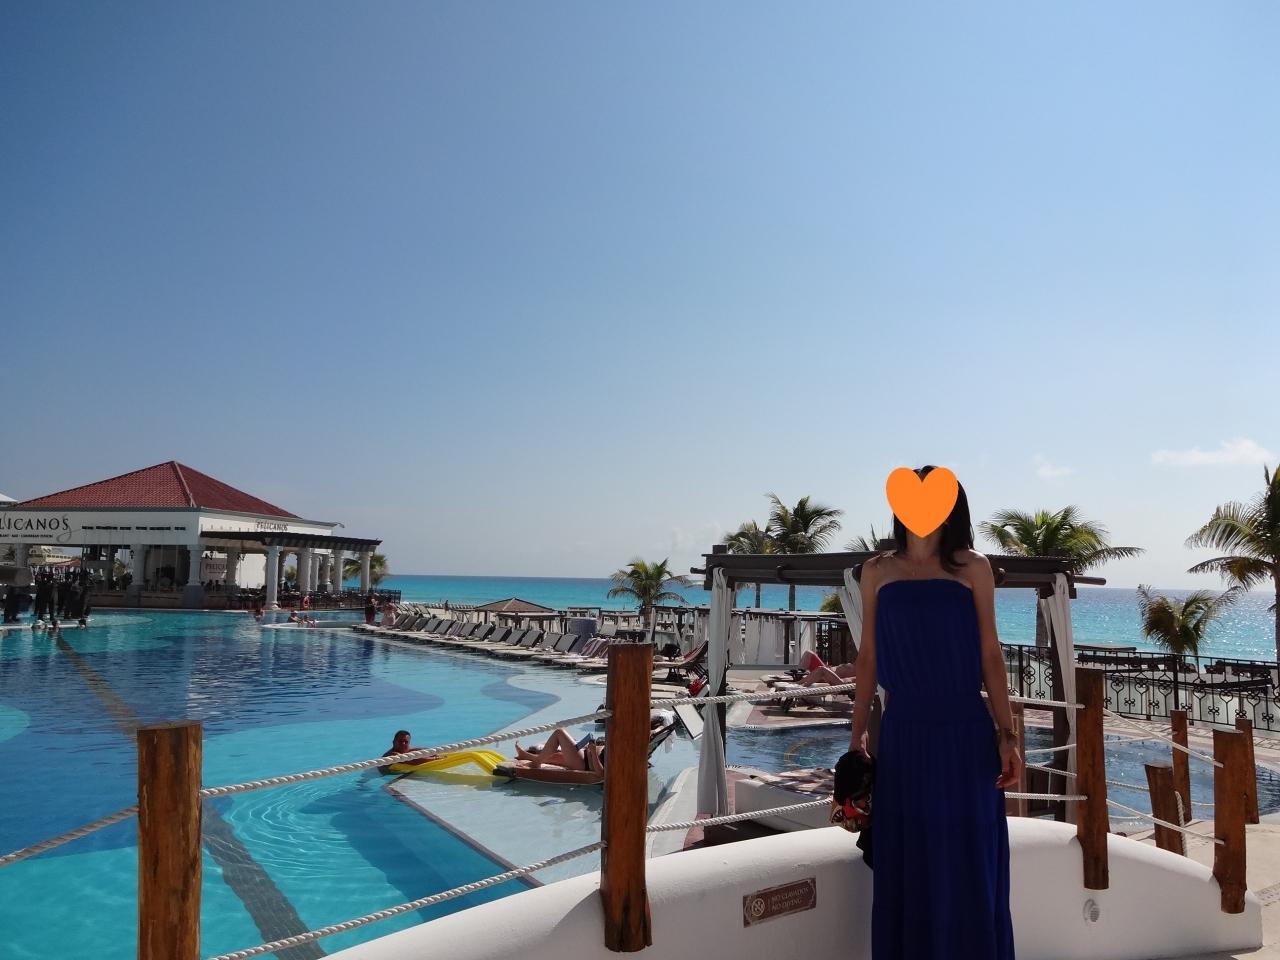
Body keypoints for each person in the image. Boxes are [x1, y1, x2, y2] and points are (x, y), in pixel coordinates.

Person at [850, 465, 1021, 960]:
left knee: (967, 853)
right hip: (903, 734)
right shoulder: (876, 571)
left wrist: (1007, 735)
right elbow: (868, 658)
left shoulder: (974, 568)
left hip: (966, 733)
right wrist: (857, 735)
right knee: (911, 854)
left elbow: (991, 655)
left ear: (951, 509)